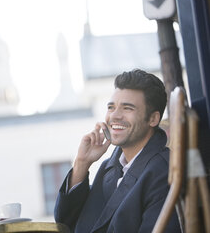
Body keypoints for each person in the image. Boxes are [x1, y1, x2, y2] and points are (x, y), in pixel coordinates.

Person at [54, 69, 181, 233]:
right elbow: (65, 223)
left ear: (153, 119)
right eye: (111, 107)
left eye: (127, 108)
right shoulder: (109, 167)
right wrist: (81, 163)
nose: (115, 116)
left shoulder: (164, 172)